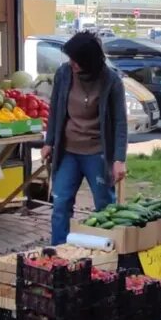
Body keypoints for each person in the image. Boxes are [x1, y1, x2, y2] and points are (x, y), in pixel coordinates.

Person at [41, 32, 128, 245]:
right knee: (60, 204)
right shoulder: (63, 74)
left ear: (89, 61)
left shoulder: (111, 81)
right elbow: (55, 110)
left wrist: (119, 159)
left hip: (97, 152)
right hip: (68, 151)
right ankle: (59, 252)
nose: (71, 63)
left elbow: (120, 122)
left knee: (105, 207)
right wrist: (49, 141)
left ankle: (107, 251)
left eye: (76, 60)